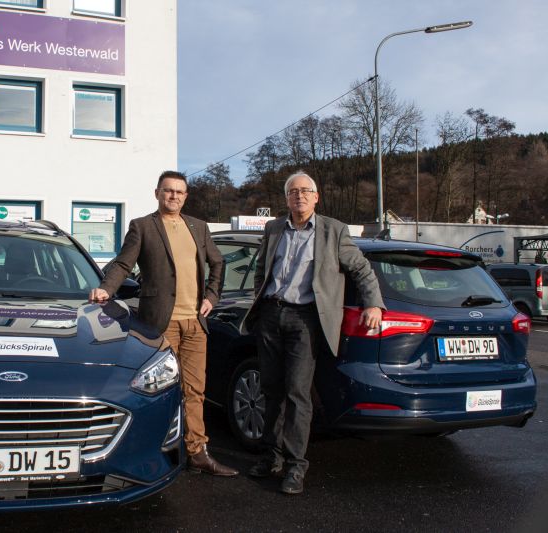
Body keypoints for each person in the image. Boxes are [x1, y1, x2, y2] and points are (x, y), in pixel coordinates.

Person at [242, 170, 384, 494]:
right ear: (287, 198)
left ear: (316, 197)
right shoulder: (274, 227)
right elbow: (262, 270)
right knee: (271, 389)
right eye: (294, 192)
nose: (300, 196)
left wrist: (373, 304)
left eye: (306, 191)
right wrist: (259, 303)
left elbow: (361, 269)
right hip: (271, 316)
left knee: (296, 393)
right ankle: (271, 456)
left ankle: (295, 466)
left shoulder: (334, 231)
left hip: (305, 321)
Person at [90, 170, 237, 477]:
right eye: (168, 191)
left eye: (179, 192)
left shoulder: (198, 226)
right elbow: (122, 263)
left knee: (195, 390)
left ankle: (197, 452)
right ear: (157, 193)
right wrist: (107, 288)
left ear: (186, 196)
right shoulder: (143, 227)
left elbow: (219, 262)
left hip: (196, 323)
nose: (173, 196)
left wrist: (212, 295)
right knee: (157, 390)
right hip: (159, 324)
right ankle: (153, 452)